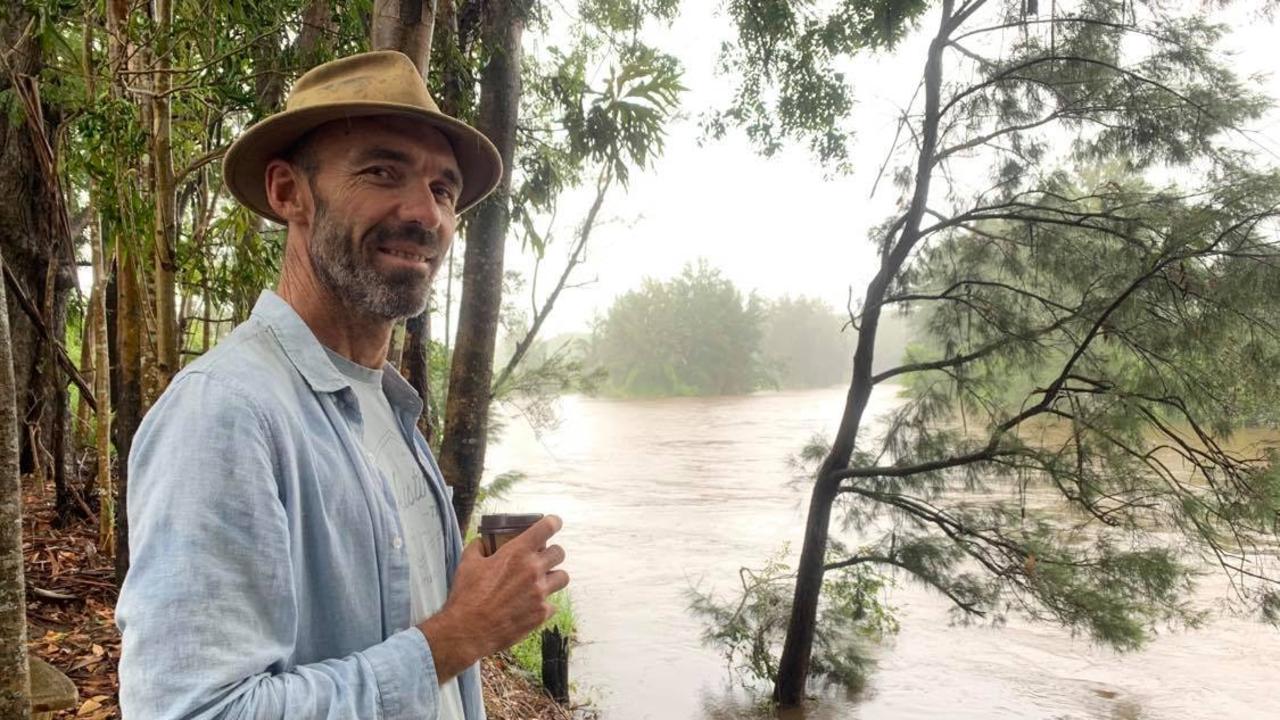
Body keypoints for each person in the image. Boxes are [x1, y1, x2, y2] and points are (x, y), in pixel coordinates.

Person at [115, 50, 569, 720]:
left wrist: (475, 612)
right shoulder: (226, 412)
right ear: (287, 192)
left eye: (444, 190)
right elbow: (193, 710)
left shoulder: (391, 410)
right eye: (383, 172)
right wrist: (460, 633)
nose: (427, 214)